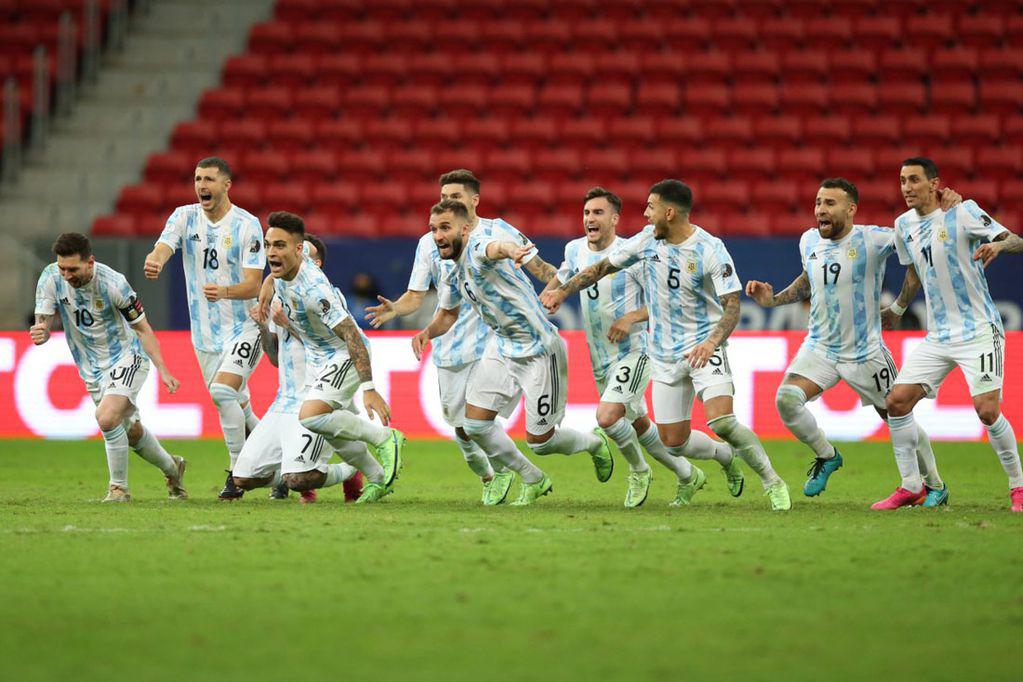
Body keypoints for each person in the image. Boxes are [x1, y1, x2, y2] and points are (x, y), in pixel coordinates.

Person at [541, 179, 791, 510]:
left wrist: (712, 342)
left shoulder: (709, 248)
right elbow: (601, 268)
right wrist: (562, 291)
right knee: (674, 442)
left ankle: (772, 481)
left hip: (704, 347)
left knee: (722, 421)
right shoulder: (647, 241)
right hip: (664, 355)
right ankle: (726, 456)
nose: (645, 214)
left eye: (651, 208)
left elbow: (732, 304)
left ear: (669, 213)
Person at [746, 178, 960, 503]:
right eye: (818, 202)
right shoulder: (807, 241)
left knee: (897, 416)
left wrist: (899, 307)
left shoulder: (874, 239)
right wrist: (773, 300)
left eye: (830, 203)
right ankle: (827, 455)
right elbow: (809, 280)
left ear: (851, 209)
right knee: (786, 400)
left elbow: (916, 254)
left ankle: (935, 485)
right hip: (819, 346)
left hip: (865, 352)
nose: (821, 209)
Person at [365, 169, 560, 505]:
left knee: (481, 420)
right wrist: (396, 309)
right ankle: (490, 473)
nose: (448, 202)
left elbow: (535, 265)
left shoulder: (498, 230)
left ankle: (512, 474)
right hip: (452, 343)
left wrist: (559, 288)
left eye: (455, 196)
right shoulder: (430, 243)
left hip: (497, 339)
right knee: (460, 427)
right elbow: (417, 295)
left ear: (474, 200)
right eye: (444, 197)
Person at [414, 200, 614, 506]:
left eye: (445, 228)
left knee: (541, 441)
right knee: (475, 425)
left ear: (465, 229)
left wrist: (512, 250)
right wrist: (427, 333)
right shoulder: (450, 270)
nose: (438, 236)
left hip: (538, 349)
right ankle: (534, 478)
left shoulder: (478, 248)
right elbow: (448, 314)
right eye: (433, 230)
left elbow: (496, 248)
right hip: (502, 347)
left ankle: (592, 443)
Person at [877, 157, 1023, 512]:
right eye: (902, 181)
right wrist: (897, 309)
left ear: (934, 183)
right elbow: (914, 273)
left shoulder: (963, 211)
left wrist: (999, 246)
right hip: (939, 335)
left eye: (914, 180)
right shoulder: (902, 225)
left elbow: (1015, 239)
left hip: (977, 330)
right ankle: (914, 486)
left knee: (987, 411)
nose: (907, 187)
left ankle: (1018, 487)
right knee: (896, 402)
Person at [142, 157, 265, 500]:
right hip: (205, 336)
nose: (201, 186)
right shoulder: (185, 216)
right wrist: (156, 258)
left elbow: (255, 284)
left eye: (209, 179)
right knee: (237, 406)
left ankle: (238, 474)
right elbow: (165, 244)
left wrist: (225, 291)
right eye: (197, 179)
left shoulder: (247, 225)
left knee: (224, 393)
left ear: (227, 185)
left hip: (245, 327)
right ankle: (280, 465)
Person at [32, 233, 186, 502]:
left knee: (105, 417)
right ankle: (173, 467)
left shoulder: (114, 284)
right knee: (130, 431)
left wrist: (163, 369)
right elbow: (42, 322)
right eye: (62, 268)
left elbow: (143, 330)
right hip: (90, 368)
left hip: (128, 358)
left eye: (73, 269)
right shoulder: (50, 277)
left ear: (90, 262)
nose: (66, 275)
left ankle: (119, 489)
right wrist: (41, 331)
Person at [262, 211, 404, 504]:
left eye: (279, 246)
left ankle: (384, 438)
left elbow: (352, 334)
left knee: (312, 416)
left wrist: (369, 388)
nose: (271, 252)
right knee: (333, 431)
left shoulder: (314, 290)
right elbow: (308, 247)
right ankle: (378, 478)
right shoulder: (284, 269)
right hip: (318, 358)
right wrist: (267, 283)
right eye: (268, 245)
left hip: (343, 353)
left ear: (298, 250)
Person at [233, 232, 365, 504]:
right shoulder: (281, 299)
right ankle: (308, 476)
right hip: (286, 400)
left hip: (319, 398)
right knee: (243, 479)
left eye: (306, 255)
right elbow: (273, 357)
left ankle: (354, 467)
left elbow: (329, 346)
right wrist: (262, 324)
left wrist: (289, 326)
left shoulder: (328, 298)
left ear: (315, 265)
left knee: (301, 475)